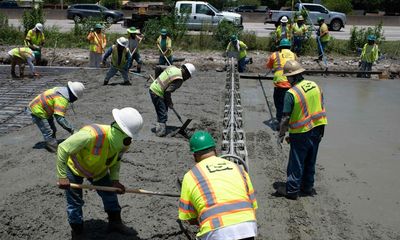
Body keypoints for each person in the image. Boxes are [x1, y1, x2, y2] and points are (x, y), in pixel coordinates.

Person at [56, 107, 143, 237]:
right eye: (128, 136)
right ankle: (77, 231)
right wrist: (62, 176)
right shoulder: (91, 135)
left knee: (110, 195)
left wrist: (115, 181)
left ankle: (115, 223)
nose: (129, 141)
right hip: (75, 168)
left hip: (98, 170)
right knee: (75, 202)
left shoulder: (124, 143)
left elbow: (116, 161)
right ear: (119, 129)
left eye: (130, 137)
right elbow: (63, 148)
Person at [178, 131, 258, 240]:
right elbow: (252, 205)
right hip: (247, 227)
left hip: (217, 231)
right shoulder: (238, 168)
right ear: (215, 150)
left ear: (194, 156)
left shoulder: (191, 176)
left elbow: (189, 218)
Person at [275, 60, 327, 200]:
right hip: (317, 129)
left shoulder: (291, 93)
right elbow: (321, 107)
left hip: (301, 133)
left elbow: (285, 118)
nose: (287, 79)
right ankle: (307, 187)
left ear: (291, 77)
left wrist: (281, 134)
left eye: (287, 77)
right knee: (311, 159)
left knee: (296, 162)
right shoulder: (315, 85)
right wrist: (322, 129)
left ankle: (292, 190)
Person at [28, 81, 85, 152]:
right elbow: (59, 119)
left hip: (44, 109)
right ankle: (53, 148)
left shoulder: (61, 90)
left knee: (53, 129)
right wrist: (72, 130)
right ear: (73, 96)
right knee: (48, 131)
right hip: (37, 111)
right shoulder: (62, 99)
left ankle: (52, 143)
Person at [149, 63, 195, 137]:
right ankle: (160, 132)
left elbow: (158, 67)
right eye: (188, 76)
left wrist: (156, 80)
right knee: (163, 113)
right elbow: (167, 92)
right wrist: (170, 102)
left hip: (154, 89)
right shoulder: (179, 80)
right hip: (157, 92)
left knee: (163, 109)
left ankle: (160, 125)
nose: (187, 79)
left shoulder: (172, 68)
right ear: (186, 73)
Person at [266, 39, 296, 127]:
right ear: (289, 47)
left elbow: (268, 66)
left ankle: (280, 123)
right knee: (290, 105)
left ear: (280, 47)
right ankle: (290, 122)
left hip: (280, 84)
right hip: (291, 84)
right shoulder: (294, 55)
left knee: (279, 105)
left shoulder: (275, 55)